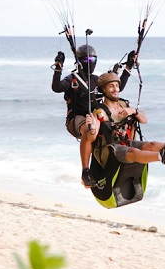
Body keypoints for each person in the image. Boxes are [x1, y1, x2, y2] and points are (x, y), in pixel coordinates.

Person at [85, 72, 165, 173]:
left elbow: (144, 120)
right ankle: (161, 156)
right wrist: (93, 128)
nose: (115, 89)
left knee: (150, 145)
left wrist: (133, 111)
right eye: (111, 86)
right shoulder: (99, 112)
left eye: (117, 86)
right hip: (110, 150)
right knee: (133, 152)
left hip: (126, 142)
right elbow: (91, 138)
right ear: (103, 89)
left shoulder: (123, 104)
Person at [52, 45, 136, 187]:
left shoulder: (96, 80)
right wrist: (58, 68)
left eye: (93, 58)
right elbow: (56, 87)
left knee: (125, 122)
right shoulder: (72, 79)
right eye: (87, 59)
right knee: (88, 127)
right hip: (77, 118)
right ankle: (85, 172)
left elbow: (116, 87)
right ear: (80, 61)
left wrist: (128, 67)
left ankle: (123, 155)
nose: (90, 61)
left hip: (95, 116)